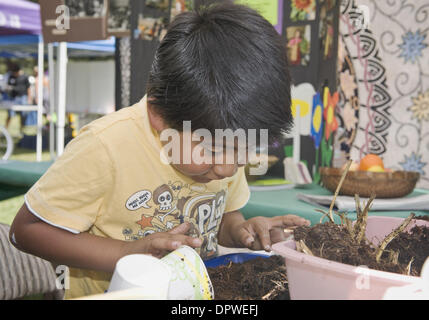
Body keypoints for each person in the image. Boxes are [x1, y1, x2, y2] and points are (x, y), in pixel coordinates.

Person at [9, 3, 310, 299]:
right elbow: (25, 231)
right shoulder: (105, 146)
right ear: (160, 117)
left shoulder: (223, 138)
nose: (228, 169)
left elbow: (223, 220)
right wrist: (127, 253)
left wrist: (242, 230)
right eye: (213, 150)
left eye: (243, 149)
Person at [5, 63, 32, 131]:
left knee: (23, 114)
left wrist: (29, 98)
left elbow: (28, 88)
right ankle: (5, 130)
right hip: (14, 98)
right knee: (10, 114)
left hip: (23, 97)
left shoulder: (25, 76)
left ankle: (21, 129)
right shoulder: (11, 76)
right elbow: (8, 85)